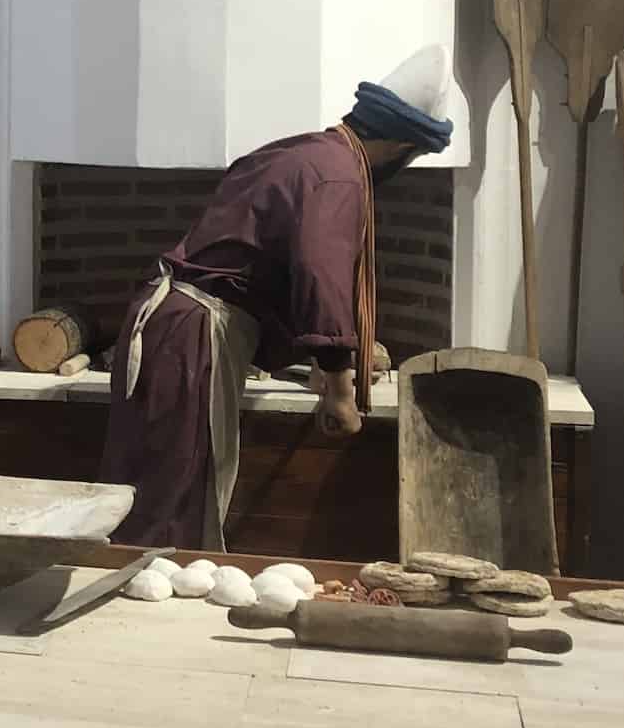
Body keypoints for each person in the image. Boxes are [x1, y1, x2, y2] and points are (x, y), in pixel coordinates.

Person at [98, 50, 456, 549]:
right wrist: (338, 387)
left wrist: (311, 354)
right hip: (192, 335)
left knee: (156, 488)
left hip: (172, 322)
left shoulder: (301, 152)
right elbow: (320, 272)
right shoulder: (339, 176)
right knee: (174, 502)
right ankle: (147, 616)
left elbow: (272, 255)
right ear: (399, 144)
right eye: (413, 155)